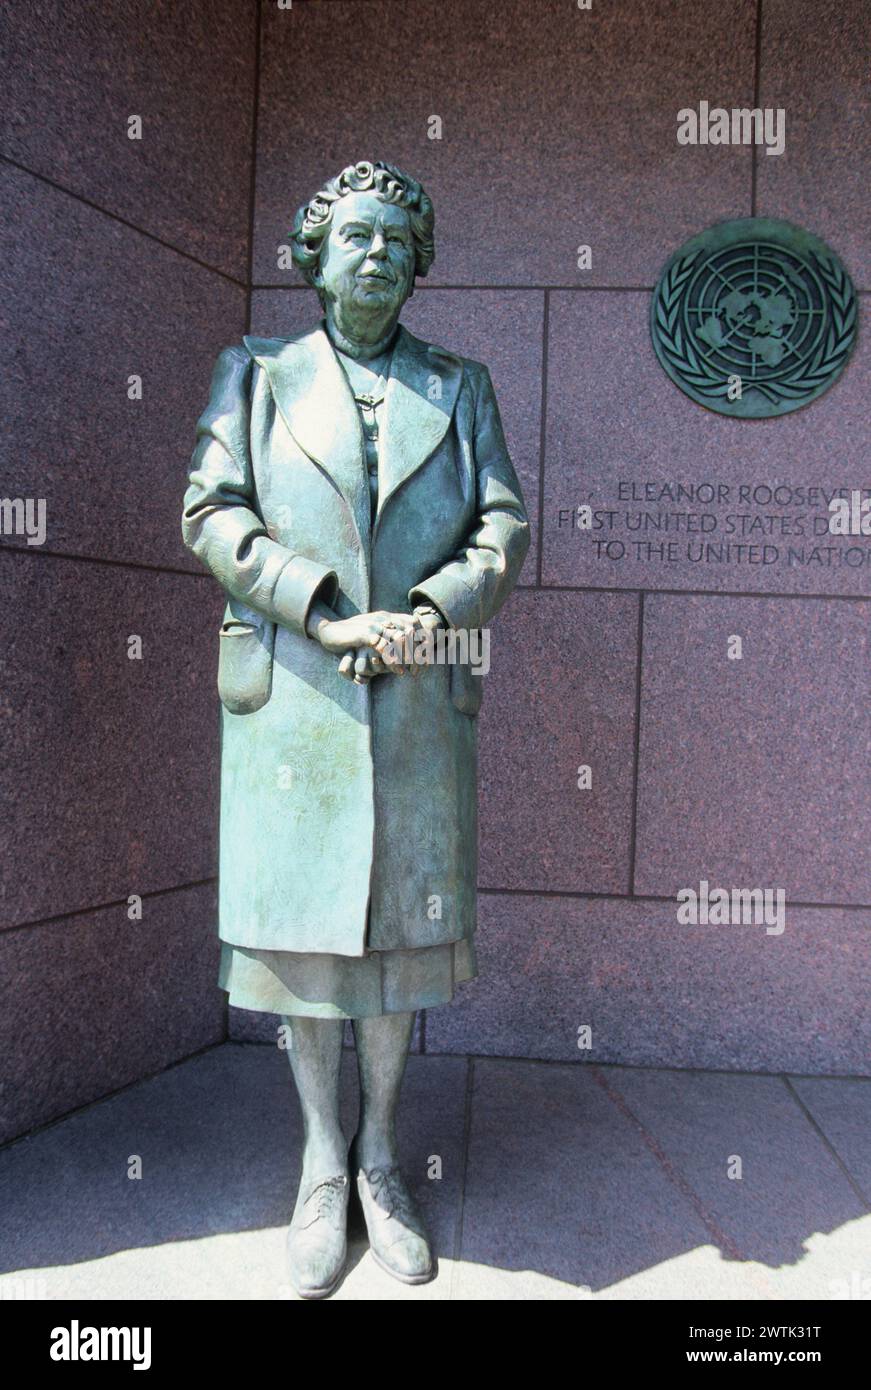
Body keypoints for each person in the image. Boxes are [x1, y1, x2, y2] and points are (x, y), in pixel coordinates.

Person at [182, 159, 530, 1298]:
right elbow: (210, 508)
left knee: (397, 931)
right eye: (354, 238)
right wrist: (320, 607)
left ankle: (383, 1153)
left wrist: (429, 616)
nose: (376, 254)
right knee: (305, 933)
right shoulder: (257, 373)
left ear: (418, 264)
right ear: (314, 258)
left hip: (420, 688)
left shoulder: (460, 384)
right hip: (296, 688)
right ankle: (318, 1163)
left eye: (396, 239)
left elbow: (501, 526)